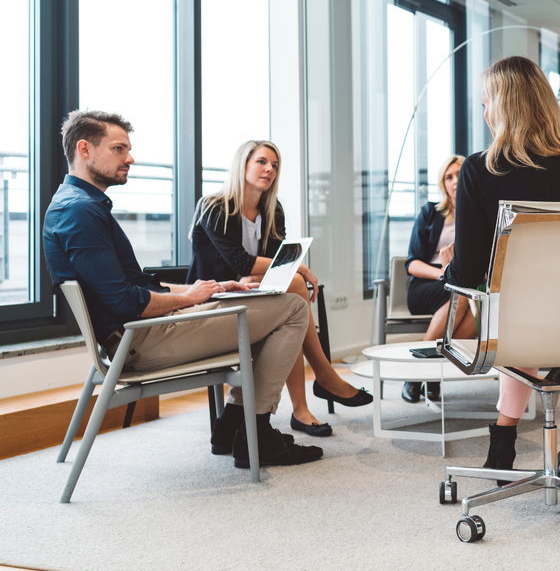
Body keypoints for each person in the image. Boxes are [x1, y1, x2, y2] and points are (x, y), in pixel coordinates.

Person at [43, 111, 322, 468]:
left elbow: (138, 284)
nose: (130, 158)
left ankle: (231, 427)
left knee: (262, 305)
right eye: (119, 149)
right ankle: (256, 432)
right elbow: (125, 301)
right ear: (85, 149)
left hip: (138, 333)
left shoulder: (78, 205)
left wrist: (210, 288)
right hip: (141, 341)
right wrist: (188, 299)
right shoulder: (80, 212)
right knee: (293, 308)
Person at [440, 56, 560, 482]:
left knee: (512, 306)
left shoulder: (481, 168)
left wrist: (448, 269)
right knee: (529, 304)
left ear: (502, 107)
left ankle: (503, 442)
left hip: (518, 322)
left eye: (485, 103)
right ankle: (506, 433)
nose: (484, 113)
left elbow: (469, 270)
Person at [188, 140, 372, 437]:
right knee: (294, 291)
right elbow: (240, 262)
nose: (270, 169)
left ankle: (307, 401)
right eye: (261, 162)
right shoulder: (214, 206)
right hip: (214, 302)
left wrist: (283, 270)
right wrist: (298, 267)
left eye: (274, 165)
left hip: (250, 297)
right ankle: (319, 383)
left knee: (289, 304)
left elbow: (274, 269)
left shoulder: (273, 210)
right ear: (243, 165)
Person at [401, 154, 476, 404]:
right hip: (427, 283)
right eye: (448, 177)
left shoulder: (477, 214)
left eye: (459, 175)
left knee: (479, 312)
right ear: (443, 184)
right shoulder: (430, 213)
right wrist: (444, 274)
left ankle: (432, 376)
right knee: (461, 297)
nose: (454, 181)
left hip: (461, 283)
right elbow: (412, 263)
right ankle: (418, 373)